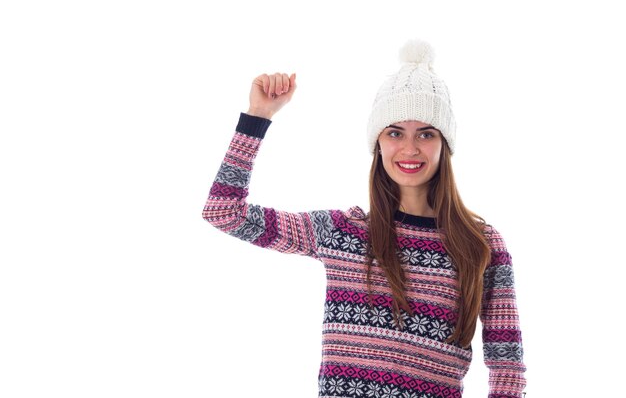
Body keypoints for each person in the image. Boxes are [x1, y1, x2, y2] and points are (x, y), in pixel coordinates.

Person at [202, 39, 527, 398]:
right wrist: (256, 118)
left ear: (444, 145)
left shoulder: (481, 244)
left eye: (426, 133)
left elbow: (506, 365)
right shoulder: (343, 233)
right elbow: (224, 212)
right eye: (394, 132)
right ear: (378, 144)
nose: (410, 148)